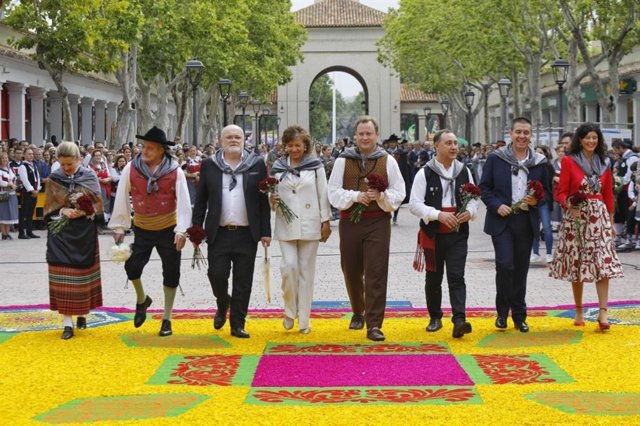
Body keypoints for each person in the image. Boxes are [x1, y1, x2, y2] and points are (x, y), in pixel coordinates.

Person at [327, 116, 405, 341]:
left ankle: (374, 323)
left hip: (378, 221)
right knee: (351, 269)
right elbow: (332, 192)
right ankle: (358, 310)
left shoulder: (387, 160)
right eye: (361, 133)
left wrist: (381, 196)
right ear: (355, 136)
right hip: (350, 220)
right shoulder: (343, 160)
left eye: (369, 133)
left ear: (376, 135)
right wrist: (355, 196)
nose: (364, 137)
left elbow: (400, 191)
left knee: (376, 271)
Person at [109, 126, 191, 337]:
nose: (144, 151)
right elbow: (121, 198)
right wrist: (120, 226)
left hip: (168, 228)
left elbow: (183, 202)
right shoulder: (131, 168)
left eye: (150, 148)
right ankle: (142, 299)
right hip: (143, 227)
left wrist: (181, 230)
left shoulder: (175, 171)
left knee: (171, 272)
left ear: (162, 150)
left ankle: (167, 318)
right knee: (132, 267)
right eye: (144, 147)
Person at [192, 124, 271, 339]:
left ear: (244, 140)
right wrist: (196, 229)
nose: (234, 140)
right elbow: (200, 201)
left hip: (247, 233)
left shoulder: (256, 164)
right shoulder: (209, 165)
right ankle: (222, 302)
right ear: (220, 140)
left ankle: (238, 323)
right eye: (229, 137)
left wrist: (266, 231)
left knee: (243, 281)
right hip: (219, 232)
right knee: (216, 274)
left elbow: (263, 200)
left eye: (238, 137)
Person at [479, 117, 551, 333]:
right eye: (518, 132)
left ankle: (519, 315)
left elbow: (547, 193)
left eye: (526, 133)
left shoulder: (540, 162)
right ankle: (502, 312)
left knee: (520, 269)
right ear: (510, 134)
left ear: (531, 135)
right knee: (505, 265)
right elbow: (484, 188)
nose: (522, 136)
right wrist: (496, 205)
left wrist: (537, 200)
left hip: (526, 221)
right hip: (501, 220)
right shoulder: (496, 158)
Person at [550, 123, 624, 330]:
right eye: (587, 138)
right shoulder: (569, 162)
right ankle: (579, 309)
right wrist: (569, 205)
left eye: (595, 138)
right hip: (577, 220)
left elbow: (608, 195)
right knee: (577, 263)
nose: (591, 141)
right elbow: (561, 192)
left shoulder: (605, 162)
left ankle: (603, 314)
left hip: (599, 219)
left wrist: (610, 222)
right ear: (580, 140)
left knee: (603, 264)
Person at [409, 129, 477, 338]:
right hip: (433, 233)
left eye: (456, 143)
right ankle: (435, 317)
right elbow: (414, 204)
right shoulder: (425, 172)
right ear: (436, 146)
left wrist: (470, 212)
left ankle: (459, 320)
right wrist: (438, 215)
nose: (454, 147)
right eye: (448, 143)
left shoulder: (464, 170)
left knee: (457, 276)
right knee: (433, 277)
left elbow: (474, 198)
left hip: (457, 233)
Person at [270, 125, 332, 334]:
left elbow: (323, 194)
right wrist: (271, 199)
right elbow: (271, 194)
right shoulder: (278, 168)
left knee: (306, 272)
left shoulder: (316, 167)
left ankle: (304, 319)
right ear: (285, 147)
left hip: (310, 223)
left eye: (298, 145)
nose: (294, 149)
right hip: (286, 224)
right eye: (290, 145)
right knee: (289, 268)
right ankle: (289, 310)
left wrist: (326, 221)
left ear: (305, 146)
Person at [44, 142, 103, 339]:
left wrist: (84, 211)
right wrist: (63, 210)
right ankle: (67, 323)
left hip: (84, 232)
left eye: (69, 164)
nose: (66, 168)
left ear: (78, 159)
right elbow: (48, 207)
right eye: (63, 164)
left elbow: (98, 204)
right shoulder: (54, 178)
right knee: (63, 276)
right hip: (60, 233)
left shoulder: (90, 176)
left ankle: (82, 313)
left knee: (81, 276)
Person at [612, 139, 638, 250]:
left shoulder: (632, 158)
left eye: (615, 150)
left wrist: (619, 182)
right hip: (622, 189)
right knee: (620, 213)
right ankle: (618, 237)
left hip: (628, 190)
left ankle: (629, 239)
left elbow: (630, 175)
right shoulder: (623, 158)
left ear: (620, 148)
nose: (615, 152)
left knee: (629, 214)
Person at [530, 145, 555, 263]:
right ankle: (535, 252)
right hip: (532, 199)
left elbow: (548, 185)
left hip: (543, 200)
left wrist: (547, 198)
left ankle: (549, 253)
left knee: (547, 227)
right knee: (534, 227)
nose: (538, 154)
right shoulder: (530, 165)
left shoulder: (548, 167)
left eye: (541, 152)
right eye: (536, 152)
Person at [17, 147, 41, 239]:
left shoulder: (34, 165)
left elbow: (37, 179)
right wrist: (31, 190)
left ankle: (29, 231)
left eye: (32, 154)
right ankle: (21, 233)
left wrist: (37, 189)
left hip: (34, 192)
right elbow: (25, 180)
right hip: (26, 193)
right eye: (29, 154)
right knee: (24, 212)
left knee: (31, 212)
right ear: (24, 155)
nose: (31, 155)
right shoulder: (23, 166)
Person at [0, 152, 19, 240]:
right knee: (3, 214)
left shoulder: (9, 169)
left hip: (11, 194)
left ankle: (7, 233)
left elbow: (14, 178)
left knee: (9, 214)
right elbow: (1, 182)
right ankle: (3, 234)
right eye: (3, 158)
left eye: (6, 158)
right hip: (3, 194)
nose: (5, 159)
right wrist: (9, 184)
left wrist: (14, 184)